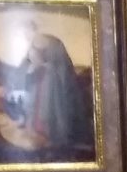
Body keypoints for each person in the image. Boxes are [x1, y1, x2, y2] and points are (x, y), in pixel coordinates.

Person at [21, 17, 89, 153]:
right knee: (37, 105)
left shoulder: (49, 41)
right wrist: (31, 69)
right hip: (40, 79)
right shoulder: (32, 45)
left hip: (51, 81)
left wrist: (43, 66)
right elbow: (26, 65)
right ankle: (39, 133)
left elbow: (61, 64)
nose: (25, 35)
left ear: (32, 29)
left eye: (26, 31)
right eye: (24, 32)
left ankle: (52, 136)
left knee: (49, 106)